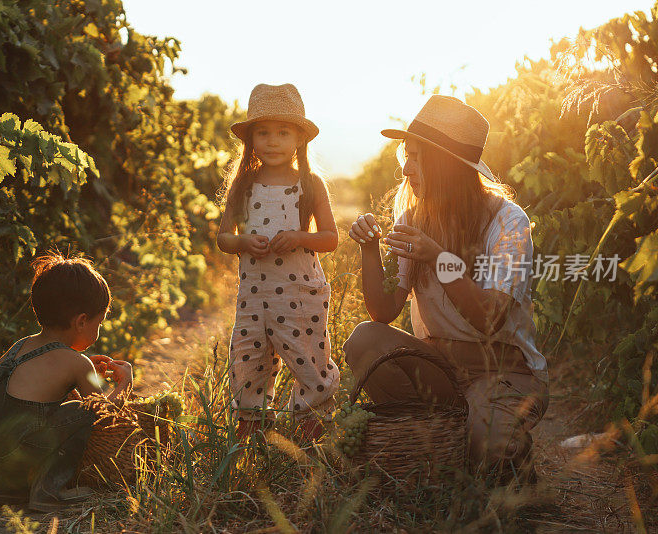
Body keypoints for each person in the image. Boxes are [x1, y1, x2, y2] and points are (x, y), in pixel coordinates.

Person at [343, 95, 549, 482]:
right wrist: (369, 251)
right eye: (408, 154)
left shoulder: (507, 223)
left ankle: (506, 461)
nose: (406, 168)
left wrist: (439, 257)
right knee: (365, 341)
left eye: (419, 157)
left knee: (487, 445)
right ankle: (437, 440)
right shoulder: (414, 217)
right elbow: (383, 313)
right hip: (439, 365)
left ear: (449, 165)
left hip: (503, 371)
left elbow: (489, 319)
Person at [0, 252, 133, 511]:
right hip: (13, 442)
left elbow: (34, 395)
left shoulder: (22, 344)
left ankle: (10, 488)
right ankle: (49, 490)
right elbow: (103, 415)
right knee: (83, 413)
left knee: (35, 418)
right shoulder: (76, 362)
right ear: (82, 321)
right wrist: (124, 384)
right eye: (99, 323)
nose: (98, 332)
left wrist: (81, 376)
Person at [217, 83, 340, 440]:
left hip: (299, 292)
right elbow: (223, 237)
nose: (272, 141)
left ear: (300, 137)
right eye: (263, 132)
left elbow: (331, 238)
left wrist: (299, 237)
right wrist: (242, 241)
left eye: (283, 132)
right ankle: (251, 433)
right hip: (253, 294)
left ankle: (311, 434)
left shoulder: (311, 184)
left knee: (307, 357)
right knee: (248, 358)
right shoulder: (243, 184)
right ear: (250, 139)